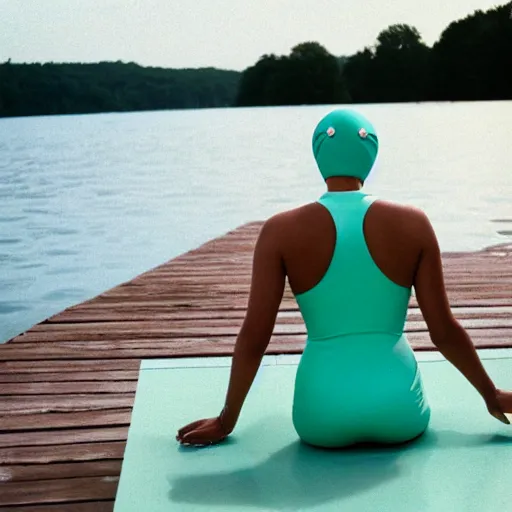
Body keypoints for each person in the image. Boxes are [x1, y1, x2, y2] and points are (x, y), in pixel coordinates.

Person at [176, 109, 512, 448]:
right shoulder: (413, 223)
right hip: (400, 411)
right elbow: (444, 332)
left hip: (320, 416)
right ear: (371, 155)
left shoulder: (279, 231)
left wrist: (225, 419)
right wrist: (491, 394)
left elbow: (254, 338)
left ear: (319, 154)